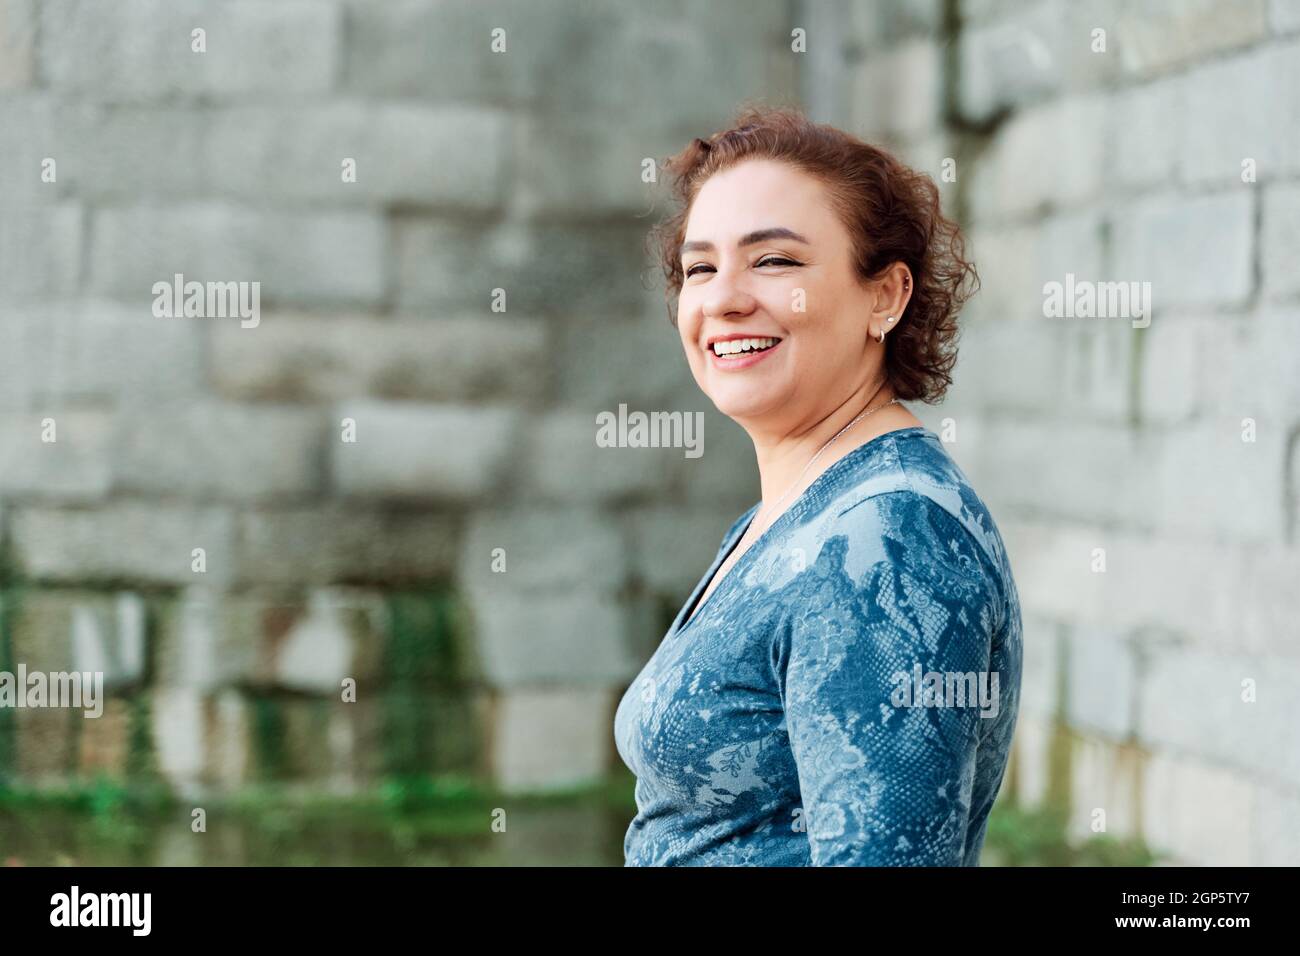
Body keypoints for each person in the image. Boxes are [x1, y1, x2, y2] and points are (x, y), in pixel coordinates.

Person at [614, 105, 1023, 866]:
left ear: (886, 297)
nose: (725, 298)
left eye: (774, 261)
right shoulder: (792, 513)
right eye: (701, 267)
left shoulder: (889, 538)